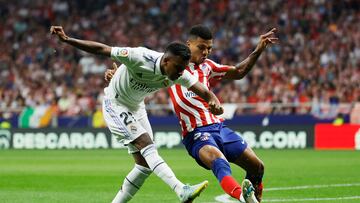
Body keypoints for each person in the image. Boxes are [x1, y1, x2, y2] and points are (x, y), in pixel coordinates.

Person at [50, 25, 225, 203]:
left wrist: (214, 101)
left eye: (183, 69)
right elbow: (102, 49)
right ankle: (181, 190)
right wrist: (67, 39)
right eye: (178, 68)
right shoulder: (139, 56)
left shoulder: (179, 72)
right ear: (166, 61)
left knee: (144, 166)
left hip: (136, 107)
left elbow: (202, 90)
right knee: (146, 145)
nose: (181, 73)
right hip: (116, 104)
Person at [105, 25, 277, 203]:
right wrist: (118, 76)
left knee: (257, 167)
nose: (206, 52)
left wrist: (258, 49)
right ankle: (242, 196)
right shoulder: (173, 66)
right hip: (196, 134)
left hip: (219, 127)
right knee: (219, 162)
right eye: (201, 47)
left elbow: (239, 72)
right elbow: (145, 69)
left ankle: (254, 199)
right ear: (189, 45)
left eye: (209, 48)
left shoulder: (208, 67)